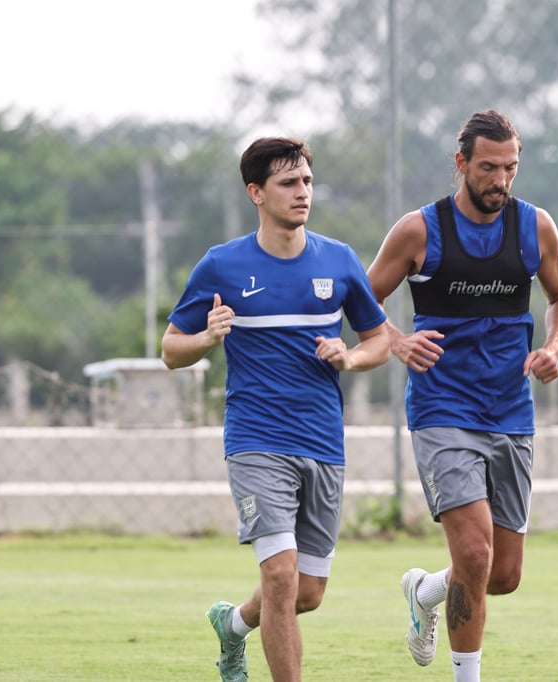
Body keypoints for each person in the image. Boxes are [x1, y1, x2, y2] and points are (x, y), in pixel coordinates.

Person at [161, 137, 390, 682]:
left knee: (305, 593)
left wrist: (351, 356)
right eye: (289, 183)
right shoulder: (222, 265)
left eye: (307, 181)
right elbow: (171, 349)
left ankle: (234, 625)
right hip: (256, 439)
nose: (302, 192)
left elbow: (379, 338)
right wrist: (207, 338)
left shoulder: (338, 260)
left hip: (323, 442)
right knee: (282, 577)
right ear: (256, 193)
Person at [367, 109, 558, 682]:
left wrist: (554, 346)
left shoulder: (536, 228)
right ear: (461, 164)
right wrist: (397, 342)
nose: (501, 180)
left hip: (510, 410)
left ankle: (424, 591)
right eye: (489, 168)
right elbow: (362, 301)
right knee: (475, 554)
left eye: (511, 168)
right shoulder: (419, 230)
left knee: (502, 574)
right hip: (442, 410)